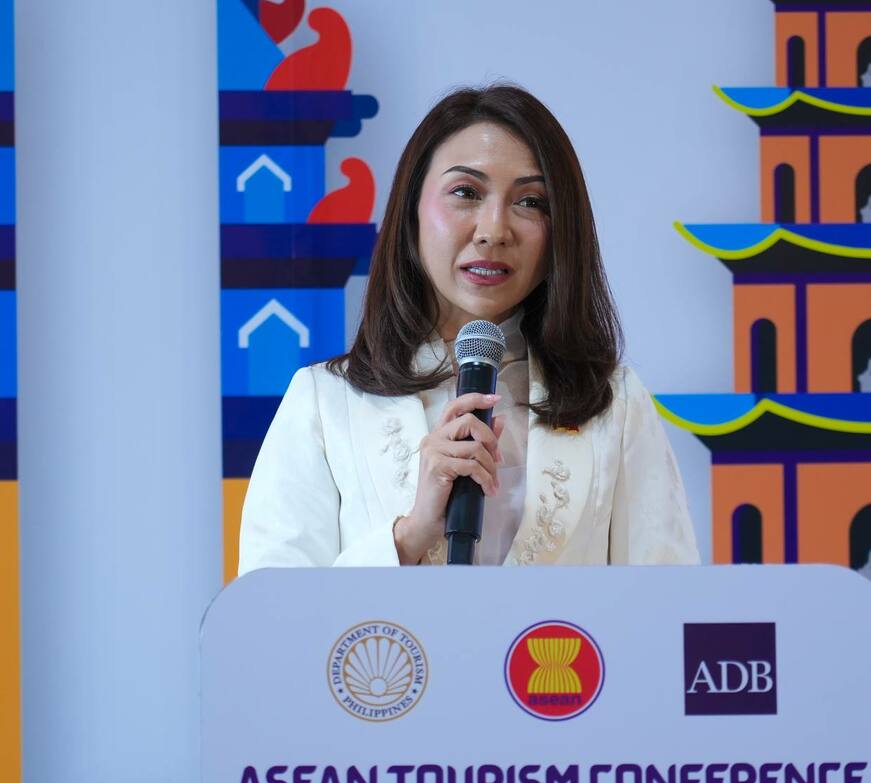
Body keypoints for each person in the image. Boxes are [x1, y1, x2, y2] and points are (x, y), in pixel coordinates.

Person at [238, 84, 699, 572]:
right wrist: (408, 536)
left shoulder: (614, 403)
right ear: (411, 211)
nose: (494, 230)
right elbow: (274, 611)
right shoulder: (327, 401)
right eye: (466, 193)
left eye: (530, 202)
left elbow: (668, 603)